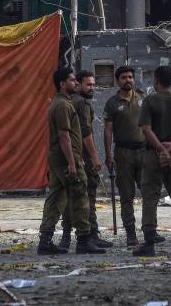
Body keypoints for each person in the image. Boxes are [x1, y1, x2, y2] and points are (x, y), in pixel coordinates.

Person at [37, 67, 106, 255]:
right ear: (62, 84)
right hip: (67, 158)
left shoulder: (61, 103)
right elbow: (64, 137)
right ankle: (84, 239)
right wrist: (73, 163)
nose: (76, 83)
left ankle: (45, 241)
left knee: (56, 199)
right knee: (80, 196)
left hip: (59, 158)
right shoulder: (63, 106)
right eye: (72, 80)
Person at [133, 65, 171, 257]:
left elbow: (146, 129)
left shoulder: (150, 101)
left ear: (156, 80)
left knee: (150, 198)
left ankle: (149, 243)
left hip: (153, 155)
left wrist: (160, 148)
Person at [104, 66, 164, 247]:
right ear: (117, 81)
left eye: (130, 77)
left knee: (149, 193)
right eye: (123, 77)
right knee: (126, 195)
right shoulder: (112, 103)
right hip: (123, 153)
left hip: (144, 151)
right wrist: (108, 156)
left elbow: (151, 126)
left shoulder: (143, 99)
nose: (128, 80)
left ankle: (150, 231)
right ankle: (131, 234)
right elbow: (108, 131)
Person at [59, 70, 112, 251]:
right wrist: (96, 157)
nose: (92, 88)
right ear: (78, 85)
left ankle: (73, 237)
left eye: (93, 84)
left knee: (72, 198)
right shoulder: (80, 103)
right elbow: (85, 134)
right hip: (82, 158)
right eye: (88, 84)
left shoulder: (68, 102)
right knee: (87, 197)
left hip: (72, 156)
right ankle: (88, 236)